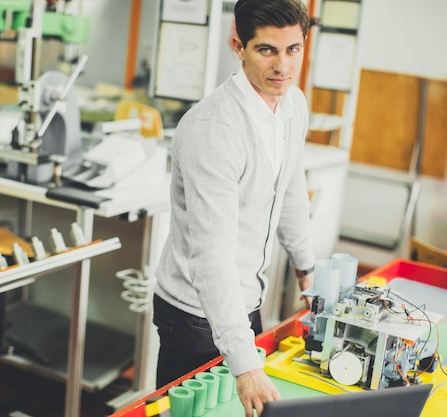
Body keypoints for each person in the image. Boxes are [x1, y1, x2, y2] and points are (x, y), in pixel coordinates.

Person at [152, 1, 316, 416]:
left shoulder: (293, 105)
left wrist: (308, 273)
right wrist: (245, 366)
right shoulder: (215, 130)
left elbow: (292, 189)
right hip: (194, 313)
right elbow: (213, 257)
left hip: (245, 303)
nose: (283, 66)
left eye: (292, 49)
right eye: (266, 50)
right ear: (238, 46)